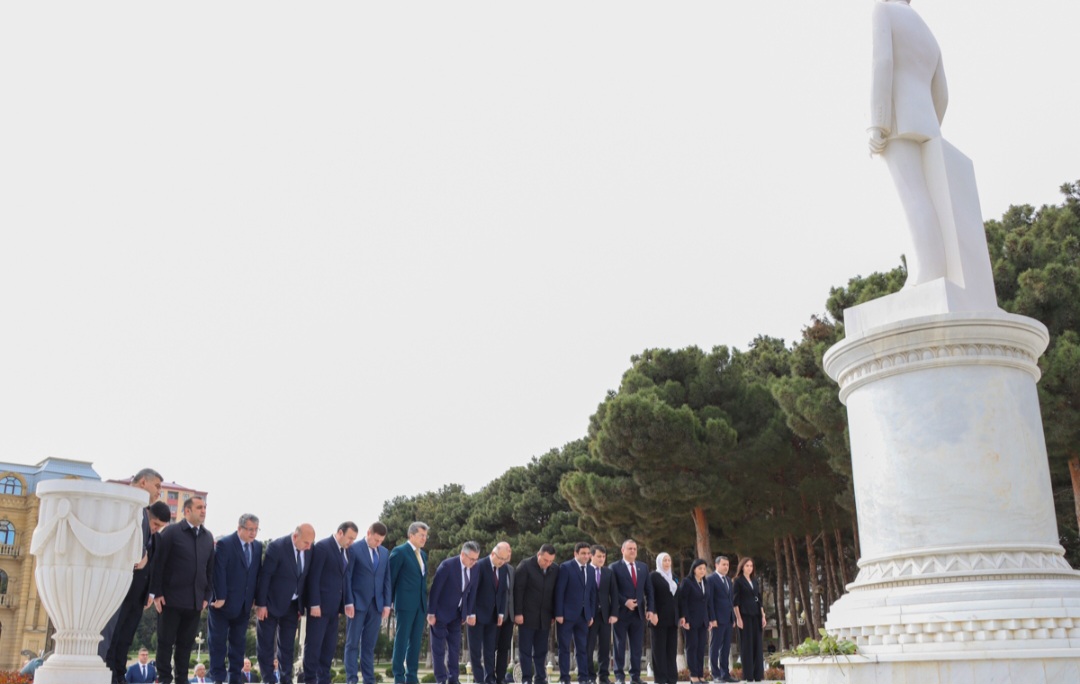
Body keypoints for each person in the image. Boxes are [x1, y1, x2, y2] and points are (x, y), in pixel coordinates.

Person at [868, 0, 949, 288]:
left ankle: (928, 273)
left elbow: (882, 63)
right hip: (926, 121)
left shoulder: (883, 10)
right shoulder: (927, 32)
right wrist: (930, 122)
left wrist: (878, 123)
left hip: (897, 118)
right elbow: (943, 93)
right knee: (927, 199)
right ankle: (929, 271)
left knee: (913, 197)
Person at [101, 467, 163, 684]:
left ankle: (117, 676)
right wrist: (140, 554)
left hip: (133, 590)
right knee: (110, 638)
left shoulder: (141, 510)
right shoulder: (123, 502)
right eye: (157, 486)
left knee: (122, 639)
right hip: (116, 585)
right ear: (143, 482)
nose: (159, 492)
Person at [150, 495, 214, 684]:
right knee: (165, 642)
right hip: (170, 599)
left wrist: (207, 595)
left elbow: (210, 570)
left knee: (185, 645)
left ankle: (181, 679)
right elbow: (158, 563)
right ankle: (164, 678)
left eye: (205, 507)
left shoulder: (207, 537)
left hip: (195, 602)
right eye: (199, 507)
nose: (203, 511)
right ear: (187, 511)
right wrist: (157, 593)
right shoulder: (171, 532)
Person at [255, 523, 315, 684]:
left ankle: (285, 679)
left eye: (311, 543)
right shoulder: (277, 547)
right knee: (266, 646)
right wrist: (261, 604)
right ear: (295, 536)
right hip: (270, 604)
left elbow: (304, 579)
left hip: (293, 606)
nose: (309, 547)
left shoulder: (309, 550)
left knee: (287, 647)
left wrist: (301, 605)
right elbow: (265, 576)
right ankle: (269, 680)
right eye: (306, 542)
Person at [209, 513, 263, 684]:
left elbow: (256, 574)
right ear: (240, 528)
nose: (253, 533)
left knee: (238, 645)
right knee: (218, 643)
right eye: (250, 529)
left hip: (244, 605)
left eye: (256, 529)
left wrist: (255, 598)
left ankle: (235, 678)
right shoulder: (225, 544)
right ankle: (218, 679)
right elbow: (219, 571)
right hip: (222, 605)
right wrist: (220, 596)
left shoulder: (258, 546)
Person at [303, 521, 358, 684]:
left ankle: (324, 680)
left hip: (334, 610)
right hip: (319, 609)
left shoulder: (347, 552)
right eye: (350, 538)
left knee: (328, 649)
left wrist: (345, 604)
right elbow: (314, 577)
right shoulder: (322, 547)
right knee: (313, 647)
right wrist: (314, 604)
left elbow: (343, 578)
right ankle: (309, 680)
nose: (351, 542)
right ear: (340, 533)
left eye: (354, 539)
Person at [344, 522, 393, 684]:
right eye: (376, 540)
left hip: (377, 605)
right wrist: (349, 602)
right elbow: (348, 577)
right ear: (369, 533)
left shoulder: (384, 553)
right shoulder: (354, 549)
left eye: (381, 541)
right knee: (352, 644)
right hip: (357, 604)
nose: (378, 543)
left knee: (369, 646)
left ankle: (369, 680)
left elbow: (386, 579)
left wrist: (387, 604)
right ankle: (352, 680)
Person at [428, 541, 481, 684]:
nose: (474, 562)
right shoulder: (447, 566)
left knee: (454, 649)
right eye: (472, 559)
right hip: (440, 614)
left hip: (458, 615)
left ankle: (453, 679)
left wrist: (469, 613)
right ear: (463, 554)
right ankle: (441, 679)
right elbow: (435, 590)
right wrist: (431, 613)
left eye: (476, 559)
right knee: (438, 649)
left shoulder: (475, 568)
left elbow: (472, 592)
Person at [389, 521, 430, 684]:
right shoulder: (399, 552)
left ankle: (412, 677)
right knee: (401, 641)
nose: (424, 538)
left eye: (426, 536)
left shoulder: (423, 555)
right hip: (404, 604)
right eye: (421, 535)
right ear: (411, 535)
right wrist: (389, 603)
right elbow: (391, 579)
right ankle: (398, 677)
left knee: (415, 642)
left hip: (420, 605)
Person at [467, 541, 512, 684]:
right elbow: (471, 591)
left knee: (490, 650)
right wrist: (471, 613)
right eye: (500, 558)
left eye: (505, 559)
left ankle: (489, 678)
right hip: (476, 616)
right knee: (475, 651)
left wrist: (500, 613)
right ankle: (479, 680)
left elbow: (502, 592)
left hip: (493, 617)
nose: (502, 562)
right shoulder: (479, 565)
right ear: (493, 554)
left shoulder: (503, 568)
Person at [513, 544, 559, 684]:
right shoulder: (525, 566)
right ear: (539, 554)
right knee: (525, 650)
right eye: (545, 560)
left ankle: (540, 678)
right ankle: (526, 678)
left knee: (541, 651)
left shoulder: (554, 569)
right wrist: (518, 613)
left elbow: (555, 593)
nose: (548, 563)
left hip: (545, 618)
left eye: (551, 561)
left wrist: (553, 614)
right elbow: (518, 591)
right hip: (526, 617)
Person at [610, 540, 653, 684]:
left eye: (635, 548)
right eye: (630, 548)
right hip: (620, 614)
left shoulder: (643, 567)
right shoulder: (614, 567)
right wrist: (625, 602)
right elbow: (612, 591)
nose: (633, 551)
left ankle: (635, 677)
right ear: (622, 550)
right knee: (619, 646)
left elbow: (649, 590)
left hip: (638, 614)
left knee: (637, 647)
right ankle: (619, 677)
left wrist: (650, 609)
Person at [554, 542, 596, 684]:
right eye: (583, 553)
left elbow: (592, 594)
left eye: (588, 553)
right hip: (566, 616)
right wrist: (558, 613)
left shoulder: (591, 570)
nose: (586, 556)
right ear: (575, 554)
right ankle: (564, 678)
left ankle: (583, 678)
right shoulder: (566, 567)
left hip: (584, 616)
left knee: (582, 648)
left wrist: (590, 614)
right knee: (564, 648)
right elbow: (559, 592)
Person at [678, 559, 715, 684]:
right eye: (700, 568)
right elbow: (683, 601)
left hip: (703, 621)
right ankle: (693, 675)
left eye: (704, 568)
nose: (702, 571)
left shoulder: (706, 582)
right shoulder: (687, 582)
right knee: (692, 647)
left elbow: (708, 603)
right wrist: (685, 618)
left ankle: (700, 675)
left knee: (701, 648)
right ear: (694, 569)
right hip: (691, 621)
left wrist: (710, 619)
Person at [586, 545, 618, 684]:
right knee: (588, 647)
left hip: (605, 616)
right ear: (591, 556)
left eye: (604, 556)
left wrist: (614, 613)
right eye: (599, 556)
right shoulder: (585, 570)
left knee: (605, 648)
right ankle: (589, 676)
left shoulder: (608, 572)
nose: (601, 559)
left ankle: (603, 676)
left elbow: (614, 594)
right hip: (590, 616)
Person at [732, 557, 765, 683]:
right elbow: (735, 602)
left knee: (757, 645)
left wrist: (763, 616)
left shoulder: (755, 581)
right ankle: (748, 675)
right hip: (744, 616)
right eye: (747, 566)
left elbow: (759, 600)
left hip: (756, 615)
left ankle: (758, 675)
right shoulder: (738, 581)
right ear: (742, 567)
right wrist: (738, 618)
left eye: (751, 566)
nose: (749, 568)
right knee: (747, 646)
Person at [647, 553, 678, 684]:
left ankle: (672, 678)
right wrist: (652, 612)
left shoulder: (674, 577)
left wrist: (681, 615)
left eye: (669, 560)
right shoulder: (654, 576)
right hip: (658, 618)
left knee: (671, 650)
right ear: (659, 562)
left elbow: (677, 597)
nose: (667, 563)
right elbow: (650, 595)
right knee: (659, 649)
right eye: (664, 560)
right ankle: (660, 678)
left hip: (672, 618)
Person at [706, 556, 735, 683]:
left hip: (728, 619)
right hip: (717, 619)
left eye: (727, 565)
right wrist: (712, 618)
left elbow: (730, 600)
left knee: (726, 648)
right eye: (723, 564)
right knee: (715, 647)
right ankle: (715, 674)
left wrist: (733, 617)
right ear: (716, 565)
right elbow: (710, 601)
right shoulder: (711, 579)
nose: (726, 567)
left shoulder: (728, 580)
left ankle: (725, 674)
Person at [493, 558, 516, 684]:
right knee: (490, 648)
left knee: (504, 648)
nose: (508, 555)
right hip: (494, 616)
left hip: (509, 616)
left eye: (509, 553)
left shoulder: (511, 569)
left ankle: (501, 677)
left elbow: (513, 592)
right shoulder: (492, 568)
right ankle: (488, 676)